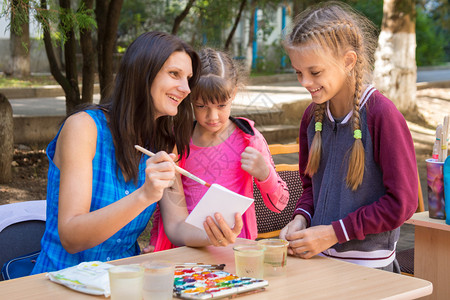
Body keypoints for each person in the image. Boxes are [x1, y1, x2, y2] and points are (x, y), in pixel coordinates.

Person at [31, 32, 243, 274]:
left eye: (188, 79)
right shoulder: (84, 128)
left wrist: (209, 233)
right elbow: (72, 236)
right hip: (62, 279)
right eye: (174, 74)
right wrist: (144, 195)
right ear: (143, 72)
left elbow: (176, 225)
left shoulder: (165, 142)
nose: (186, 89)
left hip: (124, 280)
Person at [279, 1, 418, 272]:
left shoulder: (381, 115)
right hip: (318, 265)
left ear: (348, 61)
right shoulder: (311, 117)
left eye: (315, 72)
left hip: (370, 272)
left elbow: (402, 203)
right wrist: (302, 218)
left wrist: (333, 233)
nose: (305, 82)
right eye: (298, 72)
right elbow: (311, 189)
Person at [146, 48, 289, 252]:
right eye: (201, 106)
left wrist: (265, 174)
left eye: (221, 105)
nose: (212, 117)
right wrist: (155, 241)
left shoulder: (249, 139)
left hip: (237, 250)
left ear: (234, 93)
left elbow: (280, 204)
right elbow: (168, 206)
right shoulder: (176, 140)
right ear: (189, 97)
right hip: (189, 250)